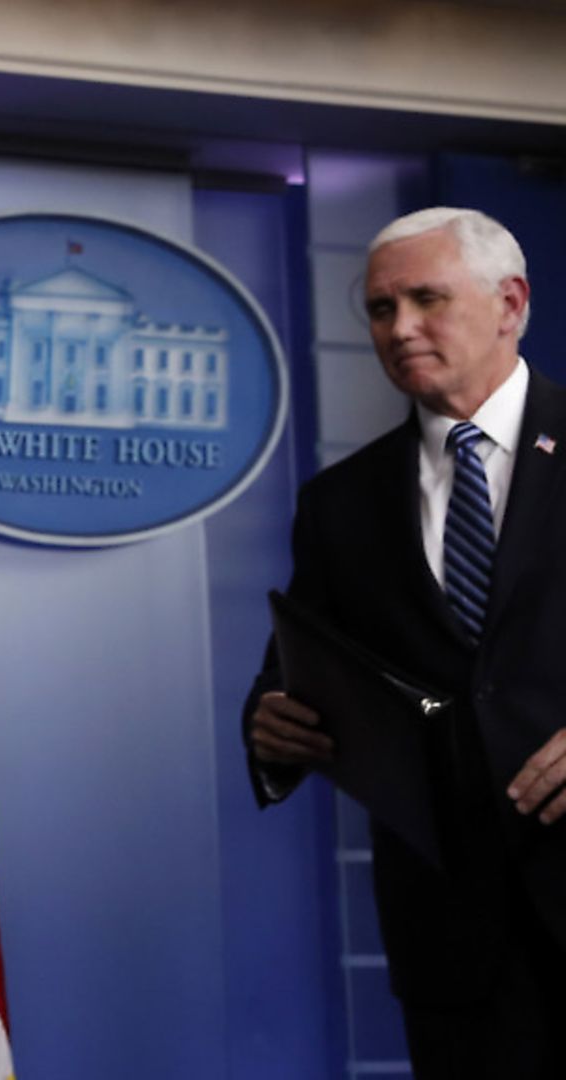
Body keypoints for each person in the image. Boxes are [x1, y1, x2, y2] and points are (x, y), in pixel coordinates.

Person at [245, 207, 566, 1076]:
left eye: (426, 299)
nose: (400, 328)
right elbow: (299, 665)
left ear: (511, 302)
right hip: (454, 940)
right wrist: (269, 723)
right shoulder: (340, 503)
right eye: (382, 310)